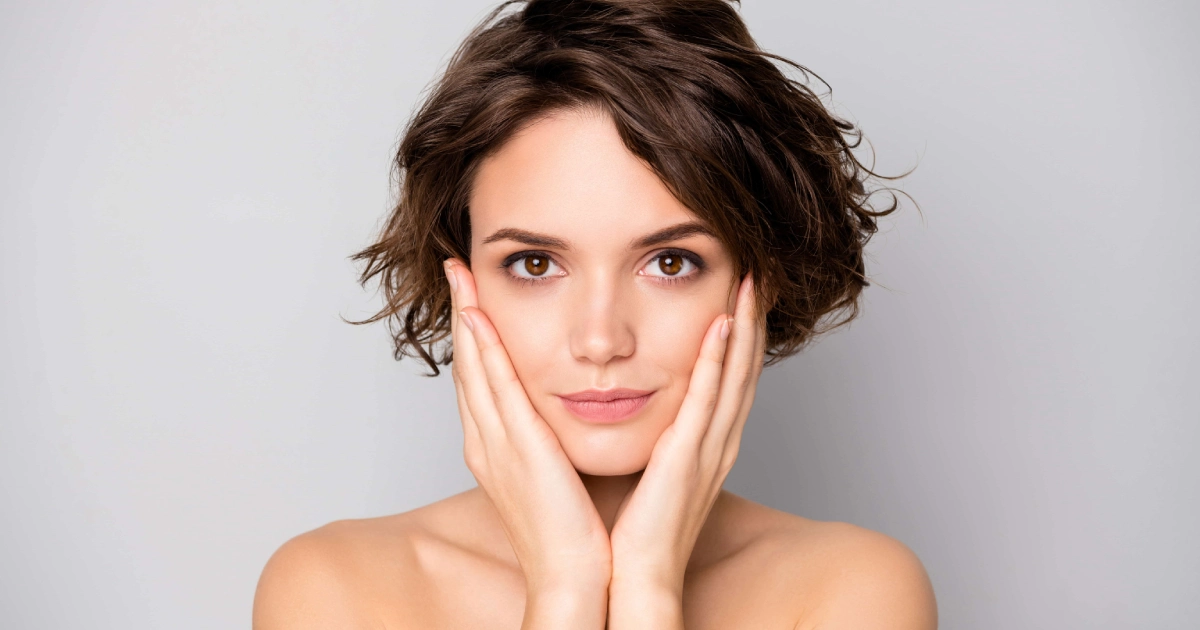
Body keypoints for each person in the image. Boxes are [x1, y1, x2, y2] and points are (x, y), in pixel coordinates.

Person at [253, 0, 937, 627]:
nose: (601, 339)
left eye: (670, 262)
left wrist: (647, 588)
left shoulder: (852, 592)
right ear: (462, 282)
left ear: (757, 282)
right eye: (535, 264)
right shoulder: (334, 591)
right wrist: (565, 586)